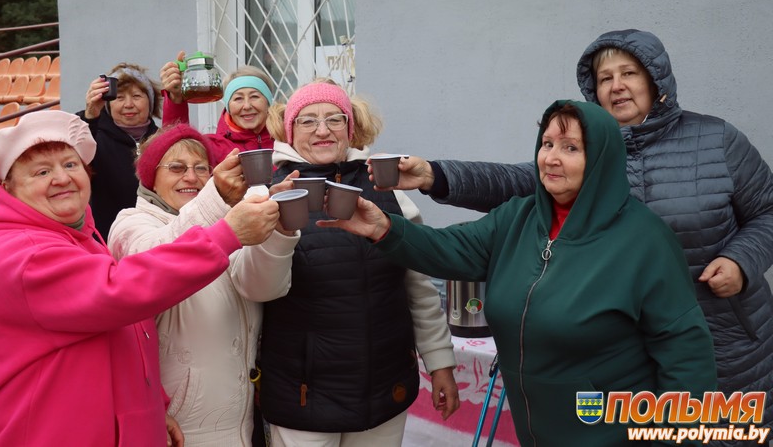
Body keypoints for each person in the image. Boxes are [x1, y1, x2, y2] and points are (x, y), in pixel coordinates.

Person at [393, 29, 773, 438]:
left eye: (629, 73)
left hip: (722, 336)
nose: (617, 85)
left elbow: (767, 210)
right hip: (621, 349)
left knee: (717, 432)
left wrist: (741, 260)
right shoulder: (585, 153)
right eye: (605, 77)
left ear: (656, 80)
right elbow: (509, 181)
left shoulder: (717, 141)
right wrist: (435, 175)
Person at [326, 99, 718, 446]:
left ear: (601, 159)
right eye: (547, 144)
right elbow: (449, 248)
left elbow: (686, 356)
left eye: (570, 147)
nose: (551, 158)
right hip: (537, 434)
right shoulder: (520, 217)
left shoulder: (644, 239)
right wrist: (384, 228)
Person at [0, 110, 281, 446]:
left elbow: (120, 335)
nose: (61, 178)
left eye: (71, 165)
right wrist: (226, 235)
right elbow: (122, 291)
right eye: (42, 171)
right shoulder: (23, 251)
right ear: (8, 187)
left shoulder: (74, 236)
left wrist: (151, 405)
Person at [260, 81, 459, 446]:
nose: (322, 130)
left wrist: (440, 361)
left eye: (334, 119)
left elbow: (418, 287)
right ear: (290, 131)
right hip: (304, 394)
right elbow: (259, 290)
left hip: (385, 386)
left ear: (350, 127)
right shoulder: (268, 194)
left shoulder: (386, 189)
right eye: (308, 120)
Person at [108, 123, 299, 446]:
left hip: (239, 419)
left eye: (201, 168)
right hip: (179, 425)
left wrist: (278, 230)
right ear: (151, 177)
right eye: (177, 168)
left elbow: (263, 289)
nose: (192, 177)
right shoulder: (131, 223)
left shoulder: (230, 220)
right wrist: (217, 202)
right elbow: (155, 263)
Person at [78, 62, 163, 238]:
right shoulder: (93, 135)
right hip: (106, 237)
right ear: (108, 105)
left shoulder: (162, 138)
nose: (128, 104)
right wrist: (90, 115)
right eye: (119, 97)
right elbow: (76, 156)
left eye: (137, 96)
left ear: (150, 101)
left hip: (155, 235)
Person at [160, 52, 275, 157]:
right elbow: (176, 152)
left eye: (254, 97)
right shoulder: (211, 148)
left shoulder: (283, 140)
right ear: (228, 107)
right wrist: (176, 99)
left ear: (268, 102)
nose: (247, 106)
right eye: (238, 98)